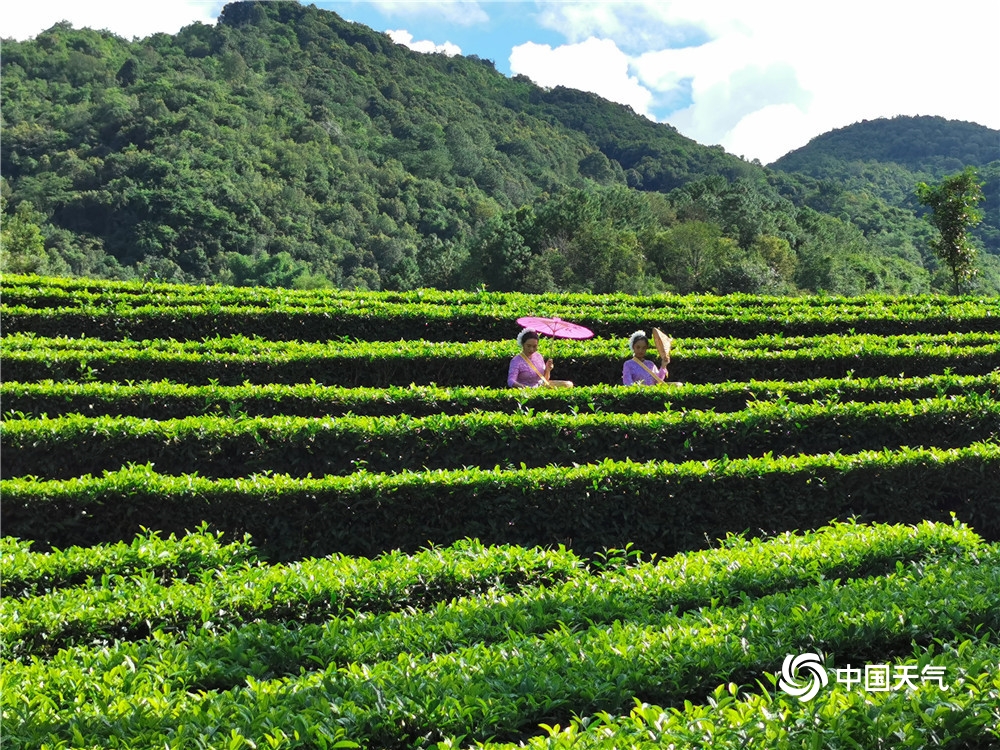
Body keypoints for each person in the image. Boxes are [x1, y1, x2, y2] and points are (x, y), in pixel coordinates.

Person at [508, 329, 573, 388]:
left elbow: (545, 379)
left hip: (541, 388)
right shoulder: (516, 361)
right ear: (523, 344)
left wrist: (547, 369)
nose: (531, 349)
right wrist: (522, 387)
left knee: (568, 384)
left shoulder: (539, 356)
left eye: (534, 346)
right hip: (527, 391)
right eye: (528, 346)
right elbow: (511, 381)